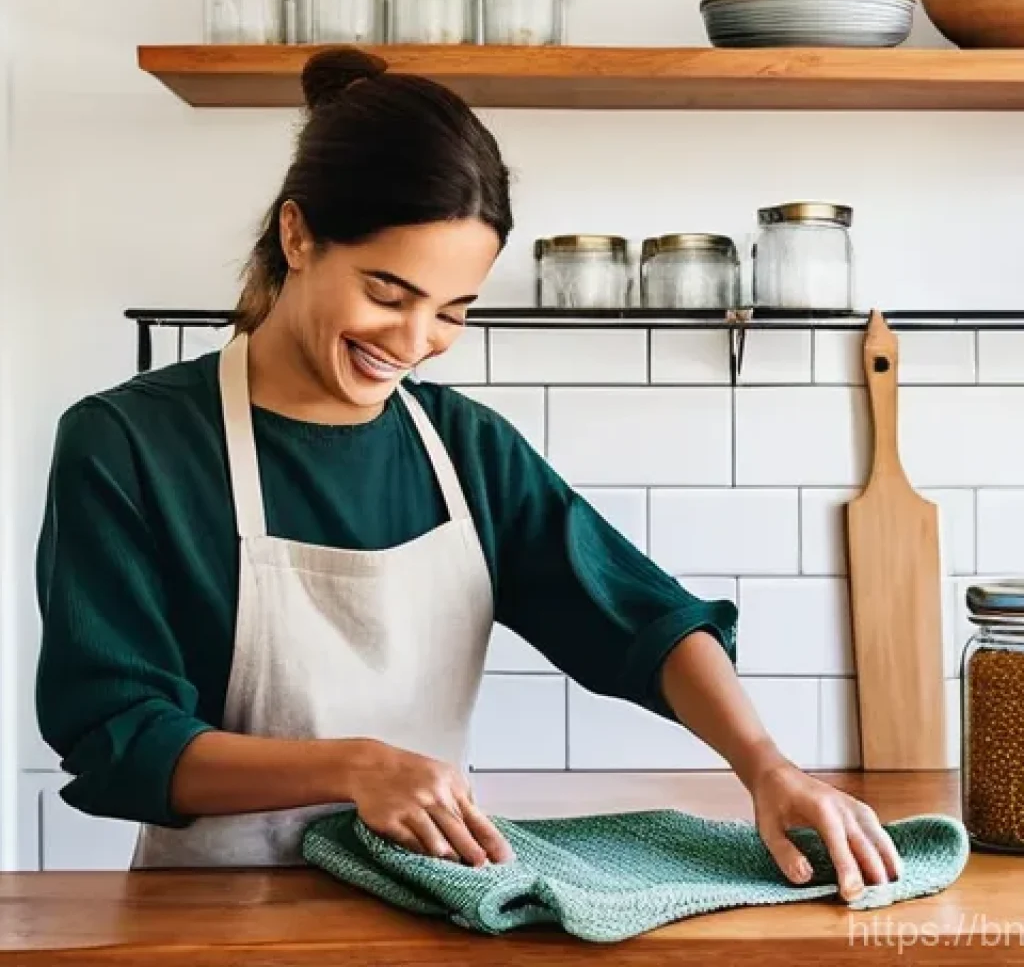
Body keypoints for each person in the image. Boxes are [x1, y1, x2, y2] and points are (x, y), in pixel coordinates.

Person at [35, 47, 900, 897]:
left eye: (451, 312)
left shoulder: (466, 452)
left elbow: (645, 620)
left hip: (434, 907)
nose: (413, 345)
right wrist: (354, 767)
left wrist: (767, 766)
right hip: (210, 919)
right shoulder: (128, 444)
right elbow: (117, 737)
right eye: (386, 293)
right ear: (297, 235)